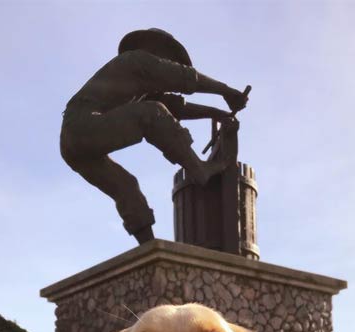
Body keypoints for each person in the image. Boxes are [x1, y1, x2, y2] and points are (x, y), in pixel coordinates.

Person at [60, 28, 249, 244]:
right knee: (152, 112)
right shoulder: (136, 60)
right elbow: (183, 79)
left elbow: (176, 108)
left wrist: (216, 113)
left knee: (126, 186)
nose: (171, 64)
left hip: (71, 143)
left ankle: (148, 247)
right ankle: (199, 168)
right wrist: (227, 91)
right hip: (83, 124)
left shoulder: (136, 88)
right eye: (170, 60)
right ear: (157, 49)